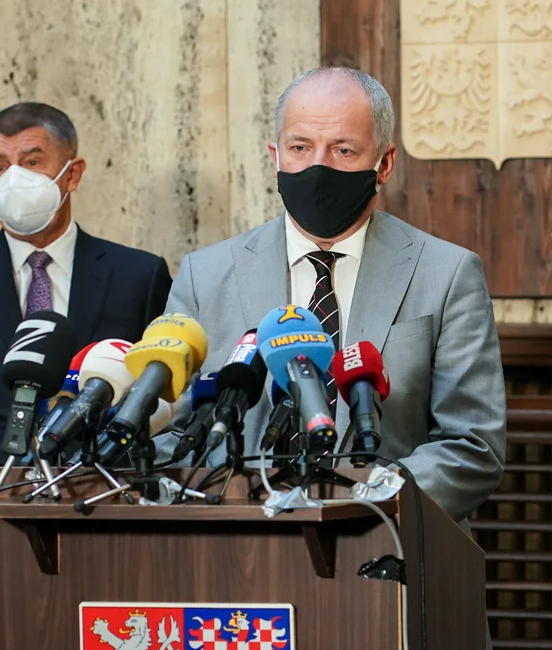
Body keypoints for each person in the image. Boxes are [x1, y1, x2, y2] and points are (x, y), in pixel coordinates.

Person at [161, 67, 506, 647]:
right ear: (275, 155)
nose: (318, 166)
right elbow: (180, 437)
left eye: (343, 149)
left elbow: (474, 444)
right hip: (238, 579)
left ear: (385, 163)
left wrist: (360, 497)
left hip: (395, 575)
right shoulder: (205, 275)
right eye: (300, 147)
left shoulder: (447, 274)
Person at [0, 102, 173, 650]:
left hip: (107, 514)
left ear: (71, 172)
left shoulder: (138, 275)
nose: (14, 178)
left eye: (31, 162)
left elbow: (159, 395)